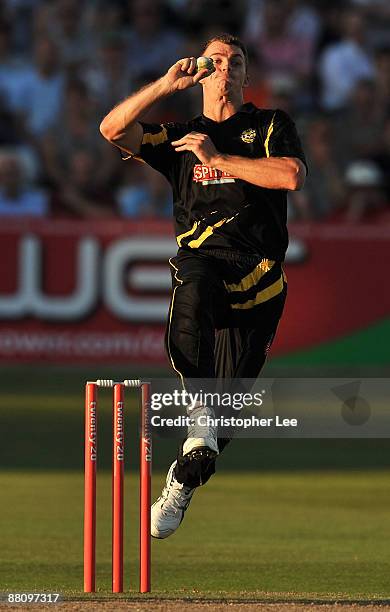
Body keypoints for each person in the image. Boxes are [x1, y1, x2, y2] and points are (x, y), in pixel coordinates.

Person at [100, 33, 307, 538]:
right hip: (204, 261)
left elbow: (291, 176)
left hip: (259, 280)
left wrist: (217, 158)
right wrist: (163, 87)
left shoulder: (268, 124)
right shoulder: (181, 134)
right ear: (200, 71)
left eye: (235, 62)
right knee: (192, 288)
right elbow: (112, 129)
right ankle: (196, 407)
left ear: (245, 76)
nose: (225, 68)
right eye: (215, 60)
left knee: (215, 439)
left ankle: (182, 478)